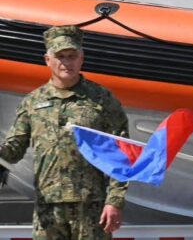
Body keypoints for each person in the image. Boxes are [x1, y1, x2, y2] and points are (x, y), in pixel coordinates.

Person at [0, 25, 128, 239]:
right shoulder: (33, 101)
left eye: (72, 56)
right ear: (47, 60)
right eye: (60, 56)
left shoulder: (102, 99)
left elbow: (121, 151)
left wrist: (114, 201)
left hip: (91, 206)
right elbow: (14, 152)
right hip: (48, 207)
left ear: (81, 58)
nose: (66, 63)